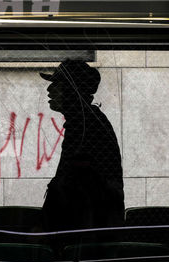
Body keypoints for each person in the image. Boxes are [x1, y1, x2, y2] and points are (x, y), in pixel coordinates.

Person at [40, 59, 124, 231]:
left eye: (56, 84)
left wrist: (44, 227)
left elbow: (70, 182)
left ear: (72, 90)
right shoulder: (87, 121)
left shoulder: (84, 125)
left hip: (86, 232)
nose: (49, 90)